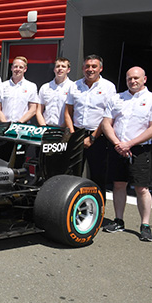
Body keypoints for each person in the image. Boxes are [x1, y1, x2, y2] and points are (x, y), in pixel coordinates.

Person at [100, 67, 152, 242]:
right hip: (117, 147)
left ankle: (145, 226)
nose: (132, 81)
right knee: (119, 185)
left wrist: (129, 143)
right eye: (129, 78)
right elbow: (106, 123)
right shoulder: (117, 98)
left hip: (139, 150)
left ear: (144, 79)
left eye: (136, 78)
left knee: (141, 188)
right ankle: (119, 221)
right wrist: (117, 143)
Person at [64, 54, 117, 197]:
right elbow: (68, 112)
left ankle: (98, 209)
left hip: (98, 136)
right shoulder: (75, 86)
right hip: (77, 133)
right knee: (73, 174)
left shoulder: (108, 87)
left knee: (98, 175)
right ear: (82, 68)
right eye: (87, 66)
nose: (90, 69)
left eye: (94, 66)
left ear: (101, 68)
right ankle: (72, 207)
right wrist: (74, 134)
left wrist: (92, 138)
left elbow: (108, 116)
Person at [0, 56, 39, 124]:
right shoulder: (2, 86)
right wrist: (5, 124)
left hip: (22, 126)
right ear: (11, 68)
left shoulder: (31, 86)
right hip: (4, 125)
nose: (18, 69)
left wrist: (19, 123)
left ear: (25, 69)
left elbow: (33, 109)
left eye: (21, 67)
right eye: (15, 66)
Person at [36, 57, 74, 128]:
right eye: (57, 66)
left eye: (63, 66)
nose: (60, 68)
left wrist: (62, 128)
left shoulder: (73, 87)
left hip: (63, 129)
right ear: (54, 69)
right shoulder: (45, 87)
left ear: (68, 70)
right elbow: (39, 111)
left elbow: (73, 112)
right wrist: (43, 127)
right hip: (45, 127)